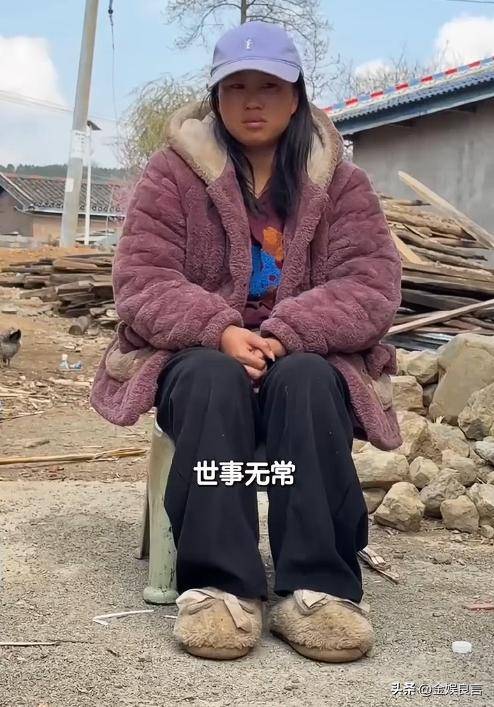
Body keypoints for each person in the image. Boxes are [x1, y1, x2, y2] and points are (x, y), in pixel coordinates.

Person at [91, 21, 402, 663]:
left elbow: (370, 284)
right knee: (212, 377)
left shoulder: (342, 185)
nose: (252, 102)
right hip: (199, 353)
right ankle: (220, 587)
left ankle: (318, 588)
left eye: (269, 87)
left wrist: (287, 333)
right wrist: (220, 330)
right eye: (235, 87)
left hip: (306, 354)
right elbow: (143, 278)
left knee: (308, 380)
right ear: (215, 97)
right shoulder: (171, 176)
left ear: (296, 97)